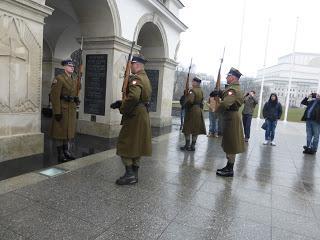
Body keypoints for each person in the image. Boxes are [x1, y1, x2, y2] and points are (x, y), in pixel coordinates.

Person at [111, 55, 152, 185]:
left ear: (137, 65)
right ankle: (134, 174)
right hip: (142, 114)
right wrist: (121, 102)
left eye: (132, 65)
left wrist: (122, 107)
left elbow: (134, 97)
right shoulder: (145, 78)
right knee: (137, 144)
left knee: (126, 143)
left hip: (134, 116)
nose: (131, 67)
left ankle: (129, 174)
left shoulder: (136, 78)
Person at [216, 68, 245, 177]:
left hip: (231, 118)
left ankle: (230, 169)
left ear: (233, 77)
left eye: (228, 76)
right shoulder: (233, 88)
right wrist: (220, 93)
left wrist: (216, 111)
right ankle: (228, 166)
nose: (226, 78)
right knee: (229, 142)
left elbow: (225, 104)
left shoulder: (232, 90)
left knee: (231, 143)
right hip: (232, 117)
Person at [50, 59, 80, 163]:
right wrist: (57, 111)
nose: (72, 67)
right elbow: (54, 96)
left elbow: (74, 93)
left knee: (68, 132)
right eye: (70, 66)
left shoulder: (74, 80)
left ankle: (66, 151)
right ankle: (60, 154)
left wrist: (76, 99)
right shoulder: (59, 79)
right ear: (65, 67)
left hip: (71, 109)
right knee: (60, 132)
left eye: (73, 66)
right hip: (62, 109)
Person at [180, 77, 206, 151]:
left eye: (193, 82)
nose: (192, 83)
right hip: (198, 110)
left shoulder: (192, 91)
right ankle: (193, 146)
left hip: (192, 110)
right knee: (195, 129)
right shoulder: (201, 90)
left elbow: (190, 101)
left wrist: (184, 102)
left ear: (196, 83)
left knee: (187, 128)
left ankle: (187, 145)